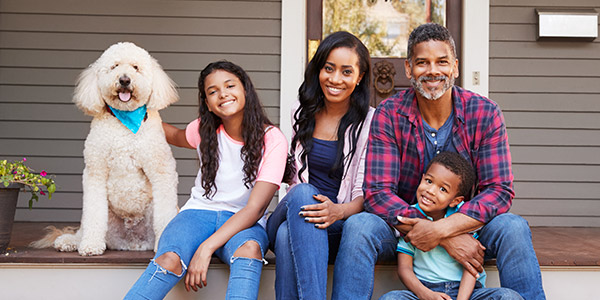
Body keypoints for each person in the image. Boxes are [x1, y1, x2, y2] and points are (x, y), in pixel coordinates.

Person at [332, 23, 546, 300]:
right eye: (422, 62)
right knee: (359, 226)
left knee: (513, 227)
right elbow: (378, 194)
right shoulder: (389, 113)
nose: (433, 70)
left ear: (455, 67)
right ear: (409, 69)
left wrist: (444, 228)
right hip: (402, 230)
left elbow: (499, 190)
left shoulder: (485, 113)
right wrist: (441, 236)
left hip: (470, 227)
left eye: (442, 62)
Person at [124, 60, 288, 300]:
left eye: (230, 86)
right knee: (169, 259)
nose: (223, 94)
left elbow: (255, 208)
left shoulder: (272, 139)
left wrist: (206, 247)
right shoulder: (203, 129)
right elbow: (175, 135)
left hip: (244, 221)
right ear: (208, 104)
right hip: (196, 215)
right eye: (213, 91)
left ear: (245, 90)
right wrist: (135, 114)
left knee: (249, 251)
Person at [265, 31, 375, 300]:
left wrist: (338, 211)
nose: (335, 79)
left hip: (336, 223)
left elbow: (365, 190)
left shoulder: (369, 122)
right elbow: (291, 177)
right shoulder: (300, 112)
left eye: (346, 72)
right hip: (294, 207)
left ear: (359, 78)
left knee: (283, 235)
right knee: (302, 193)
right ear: (319, 70)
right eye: (329, 68)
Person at [380, 151, 522, 300]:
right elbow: (405, 269)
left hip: (466, 292)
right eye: (429, 181)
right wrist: (426, 294)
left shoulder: (461, 219)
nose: (430, 191)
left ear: (455, 200)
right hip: (425, 291)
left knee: (508, 296)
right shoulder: (411, 218)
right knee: (391, 298)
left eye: (443, 189)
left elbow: (471, 267)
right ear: (422, 178)